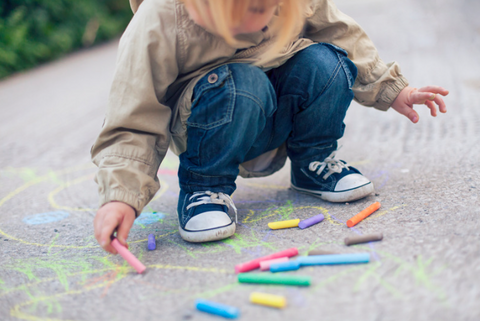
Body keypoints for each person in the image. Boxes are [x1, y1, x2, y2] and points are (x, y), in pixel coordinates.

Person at [92, 0, 448, 254]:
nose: (249, 24)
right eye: (229, 15)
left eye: (261, 9)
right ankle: (204, 189)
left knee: (328, 62)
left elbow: (343, 34)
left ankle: (313, 162)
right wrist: (121, 197)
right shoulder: (161, 16)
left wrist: (391, 87)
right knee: (243, 83)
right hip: (212, 122)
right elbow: (133, 115)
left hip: (277, 110)